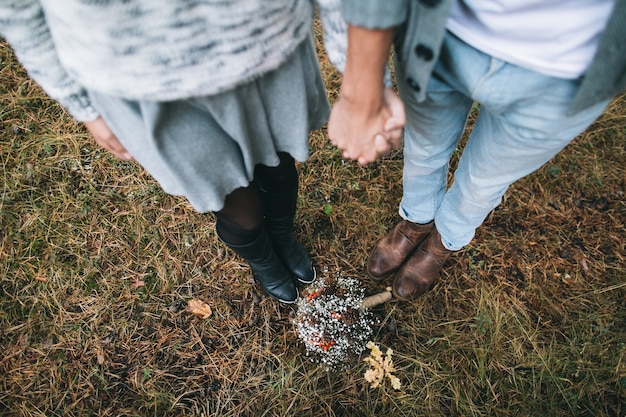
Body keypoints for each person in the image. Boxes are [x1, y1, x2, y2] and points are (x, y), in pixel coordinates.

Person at [0, 0, 348, 304]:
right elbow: (18, 7)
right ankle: (264, 259)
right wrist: (80, 103)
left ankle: (283, 235)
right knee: (237, 204)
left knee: (279, 167)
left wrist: (352, 55)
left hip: (264, 44)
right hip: (148, 78)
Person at [328, 0, 625, 301]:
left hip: (566, 72)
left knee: (482, 185)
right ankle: (416, 221)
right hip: (443, 32)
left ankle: (442, 242)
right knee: (423, 148)